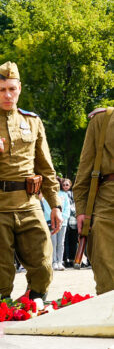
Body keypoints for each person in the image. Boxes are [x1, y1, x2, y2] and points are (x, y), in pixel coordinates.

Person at [0, 61, 62, 300]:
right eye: (2, 89)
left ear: (19, 89)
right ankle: (0, 318)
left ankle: (31, 304)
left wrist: (55, 205)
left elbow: (45, 167)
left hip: (29, 204)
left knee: (43, 266)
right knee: (1, 273)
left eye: (12, 89)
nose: (8, 95)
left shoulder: (32, 121)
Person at [74, 107, 114, 294]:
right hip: (108, 200)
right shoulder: (102, 120)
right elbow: (85, 168)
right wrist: (81, 209)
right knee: (107, 278)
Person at [51, 177, 70, 271]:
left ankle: (60, 261)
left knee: (61, 243)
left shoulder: (64, 195)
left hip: (63, 222)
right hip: (51, 222)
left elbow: (67, 208)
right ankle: (53, 262)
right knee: (53, 242)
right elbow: (47, 209)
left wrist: (63, 218)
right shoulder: (49, 194)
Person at [61, 178, 78, 267]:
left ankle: (73, 259)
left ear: (70, 185)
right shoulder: (60, 194)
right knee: (64, 241)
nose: (65, 186)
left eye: (67, 185)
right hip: (64, 220)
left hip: (73, 220)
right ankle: (65, 259)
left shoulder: (73, 194)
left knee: (73, 240)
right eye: (63, 185)